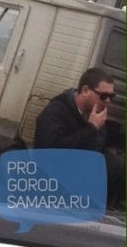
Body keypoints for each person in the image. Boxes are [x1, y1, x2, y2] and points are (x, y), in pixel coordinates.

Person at [34, 67, 125, 208]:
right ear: (85, 91)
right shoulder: (56, 112)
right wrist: (91, 128)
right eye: (103, 96)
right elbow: (52, 152)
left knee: (116, 164)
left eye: (111, 96)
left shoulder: (93, 115)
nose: (108, 101)